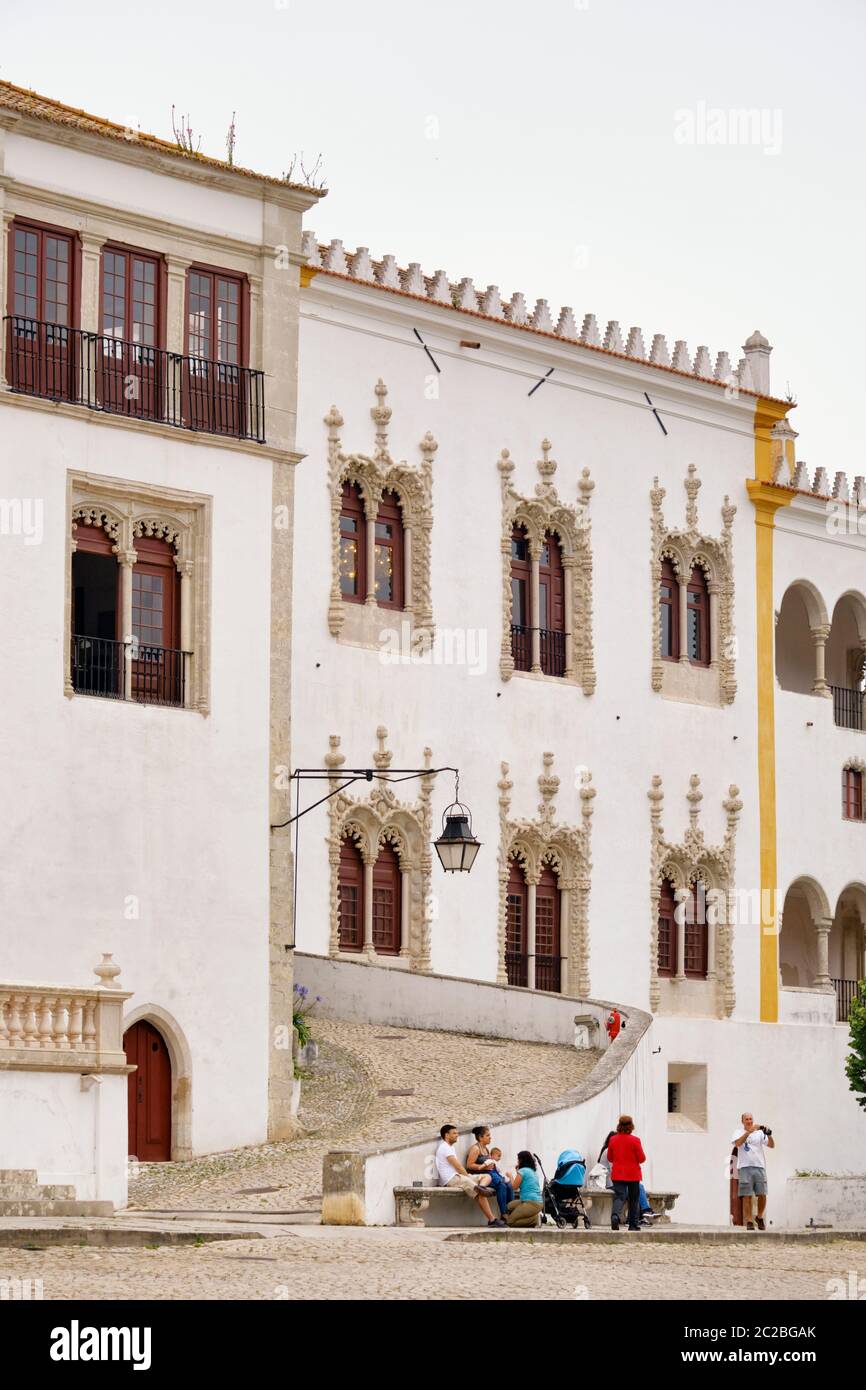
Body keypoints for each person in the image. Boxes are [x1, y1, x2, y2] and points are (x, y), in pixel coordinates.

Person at [435, 1123, 504, 1226]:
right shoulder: (444, 1148)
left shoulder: (450, 1148)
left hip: (458, 1176)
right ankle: (492, 1219)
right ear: (446, 1135)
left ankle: (481, 1187)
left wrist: (468, 1177)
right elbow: (458, 1166)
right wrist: (468, 1177)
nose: (457, 1135)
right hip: (450, 1179)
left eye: (457, 1133)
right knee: (479, 1192)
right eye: (454, 1133)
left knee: (487, 1176)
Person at [598, 1130, 654, 1225]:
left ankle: (641, 1215)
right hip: (611, 1182)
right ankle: (641, 1214)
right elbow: (614, 1169)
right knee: (635, 1191)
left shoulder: (610, 1150)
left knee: (637, 1189)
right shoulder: (609, 1151)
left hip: (615, 1180)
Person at [732, 1112, 775, 1231]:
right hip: (745, 1167)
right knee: (747, 1196)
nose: (749, 1121)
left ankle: (759, 1217)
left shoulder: (760, 1133)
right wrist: (749, 1132)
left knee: (762, 1194)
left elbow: (772, 1145)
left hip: (759, 1166)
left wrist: (769, 1135)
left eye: (751, 1119)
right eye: (747, 1119)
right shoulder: (738, 1132)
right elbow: (738, 1144)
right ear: (742, 1121)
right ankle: (749, 1220)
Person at [605, 1115, 646, 1231]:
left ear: (619, 1125)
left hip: (618, 1174)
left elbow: (610, 1158)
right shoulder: (635, 1140)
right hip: (633, 1174)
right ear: (631, 1126)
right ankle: (633, 1224)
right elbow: (642, 1158)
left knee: (619, 1196)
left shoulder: (613, 1139)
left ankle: (615, 1216)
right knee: (634, 1199)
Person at [466, 1125, 513, 1217]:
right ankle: (504, 1214)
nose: (490, 1137)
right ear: (480, 1137)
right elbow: (469, 1165)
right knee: (502, 1185)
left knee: (509, 1185)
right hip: (483, 1175)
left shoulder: (486, 1149)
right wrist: (483, 1167)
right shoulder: (475, 1149)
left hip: (492, 1173)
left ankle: (511, 1211)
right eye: (487, 1135)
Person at [505, 1150, 544, 1227]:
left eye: (518, 1159)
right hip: (532, 1201)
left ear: (522, 1160)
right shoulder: (532, 1171)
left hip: (531, 1203)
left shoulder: (522, 1171)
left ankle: (535, 1219)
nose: (517, 1161)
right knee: (509, 1206)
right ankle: (531, 1218)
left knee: (510, 1222)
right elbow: (522, 1183)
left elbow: (514, 1187)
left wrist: (510, 1176)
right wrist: (517, 1171)